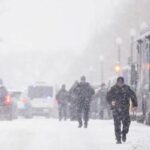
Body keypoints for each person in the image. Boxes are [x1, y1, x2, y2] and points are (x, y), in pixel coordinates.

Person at [107, 77, 137, 144]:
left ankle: (124, 133)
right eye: (119, 82)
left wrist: (134, 104)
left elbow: (133, 96)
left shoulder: (127, 88)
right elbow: (108, 97)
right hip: (116, 109)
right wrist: (111, 101)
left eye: (121, 82)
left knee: (127, 123)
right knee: (117, 124)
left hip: (125, 109)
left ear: (123, 82)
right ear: (117, 82)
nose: (120, 83)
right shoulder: (113, 89)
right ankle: (118, 139)